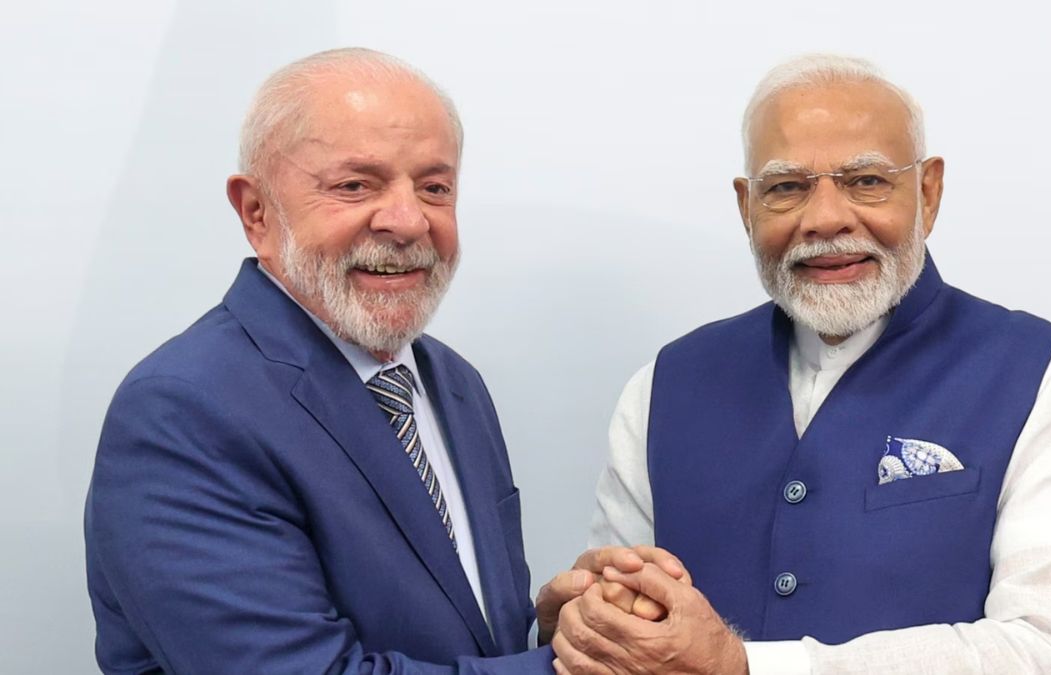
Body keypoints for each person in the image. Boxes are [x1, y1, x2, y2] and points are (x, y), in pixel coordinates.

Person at [83, 47, 653, 674]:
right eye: (355, 185)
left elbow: (453, 636)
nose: (408, 221)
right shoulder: (184, 410)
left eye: (435, 187)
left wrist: (556, 630)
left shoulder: (451, 384)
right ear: (256, 212)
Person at [556, 54, 1051, 674]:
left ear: (928, 192)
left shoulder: (1041, 374)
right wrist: (584, 619)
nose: (825, 219)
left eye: (866, 180)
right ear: (747, 207)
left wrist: (746, 667)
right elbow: (621, 634)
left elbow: (1050, 651)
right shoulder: (664, 385)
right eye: (787, 187)